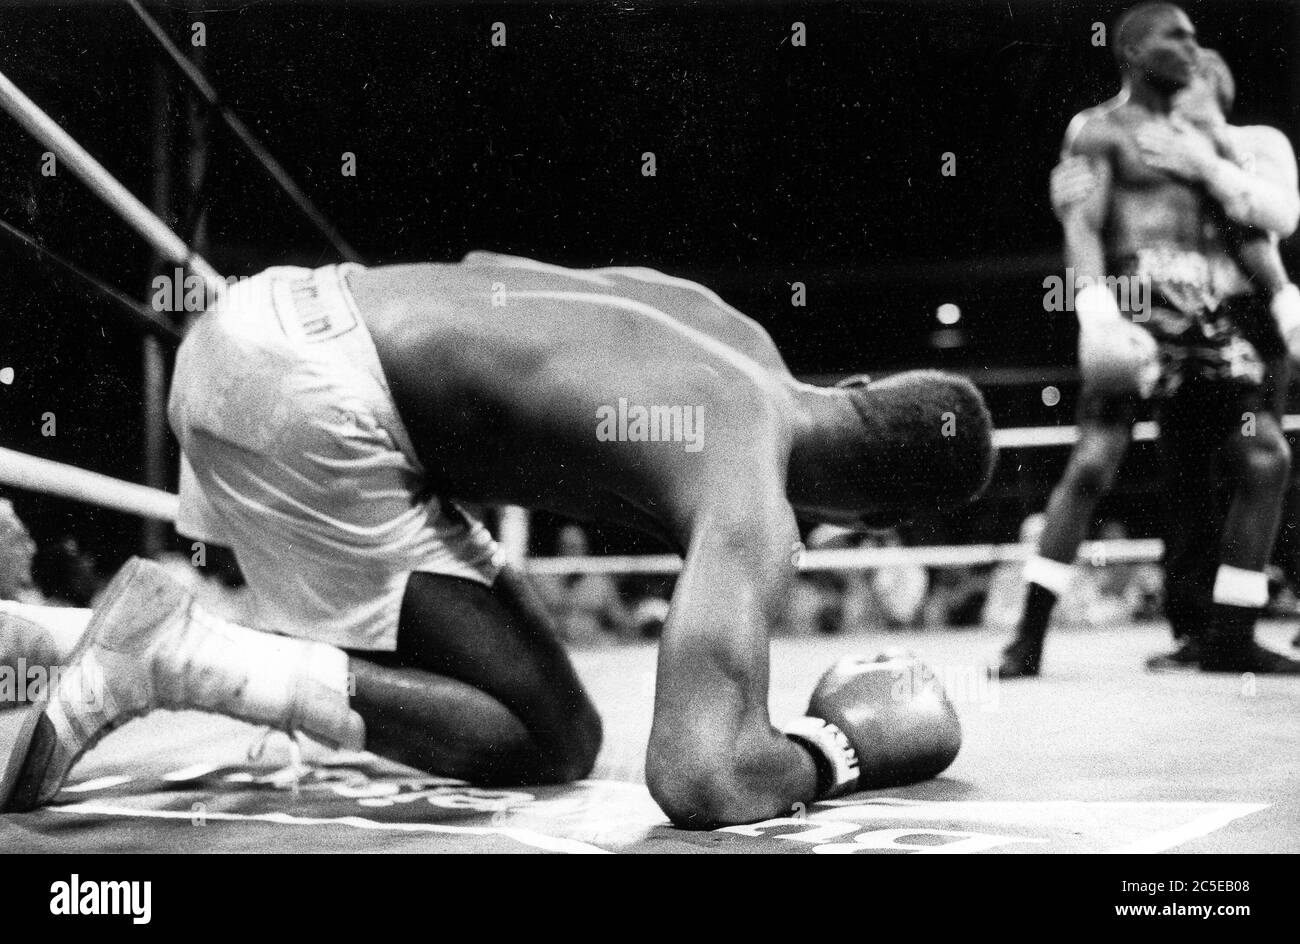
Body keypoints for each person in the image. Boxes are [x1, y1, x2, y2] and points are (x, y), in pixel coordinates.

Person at [1, 253, 993, 827]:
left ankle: (50, 635)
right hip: (318, 407)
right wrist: (837, 748)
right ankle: (176, 655)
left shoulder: (728, 329)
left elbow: (489, 277)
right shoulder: (754, 494)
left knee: (525, 695)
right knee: (548, 740)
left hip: (276, 318)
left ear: (863, 388)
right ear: (877, 523)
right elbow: (700, 773)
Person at [997, 5, 1300, 678]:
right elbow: (1082, 224)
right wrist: (1098, 313)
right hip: (1135, 311)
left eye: (1196, 35)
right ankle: (1028, 636)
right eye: (1177, 36)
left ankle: (1230, 635)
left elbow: (1248, 232)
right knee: (1095, 461)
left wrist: (1283, 300)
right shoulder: (1099, 130)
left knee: (1265, 459)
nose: (1193, 46)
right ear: (1133, 50)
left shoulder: (1205, 142)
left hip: (1207, 318)